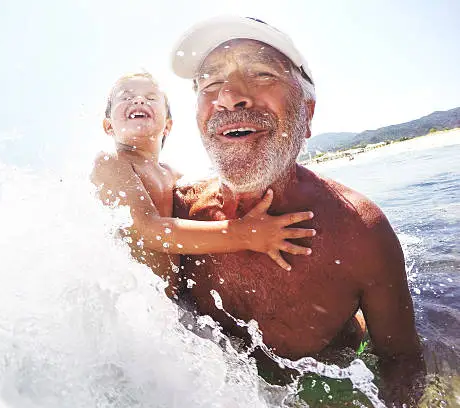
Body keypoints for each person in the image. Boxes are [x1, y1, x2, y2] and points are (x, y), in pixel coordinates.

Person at [170, 16, 425, 406]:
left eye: (261, 73)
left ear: (307, 113)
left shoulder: (360, 232)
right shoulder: (177, 216)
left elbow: (401, 359)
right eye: (210, 82)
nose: (229, 96)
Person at [90, 72, 317, 299]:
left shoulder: (173, 175)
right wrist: (245, 233)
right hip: (134, 307)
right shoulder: (111, 162)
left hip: (173, 307)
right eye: (126, 97)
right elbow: (147, 231)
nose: (138, 101)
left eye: (150, 97)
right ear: (108, 126)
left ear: (167, 125)